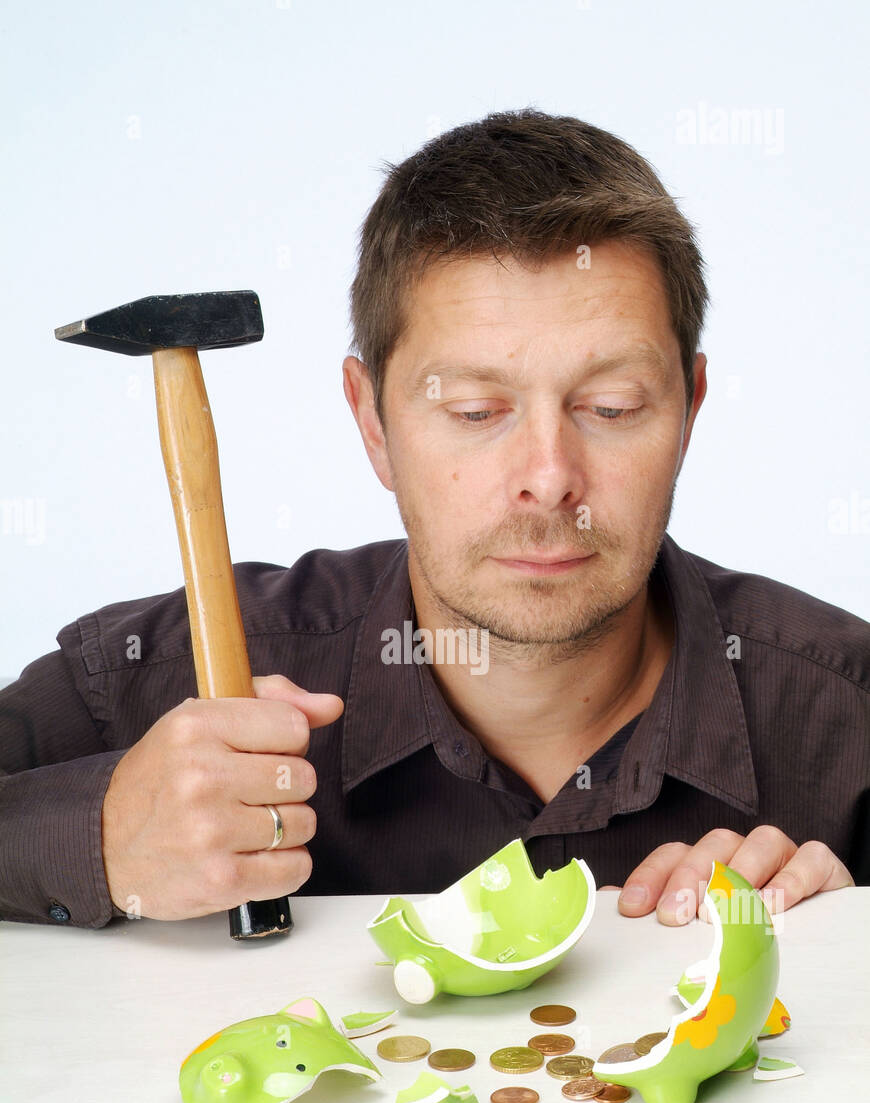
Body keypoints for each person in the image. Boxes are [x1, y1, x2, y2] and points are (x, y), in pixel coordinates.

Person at [1, 108, 866, 930]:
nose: (550, 479)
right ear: (372, 422)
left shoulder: (845, 715)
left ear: (689, 411)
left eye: (611, 405)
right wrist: (99, 837)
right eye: (475, 410)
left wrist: (843, 957)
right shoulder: (156, 675)